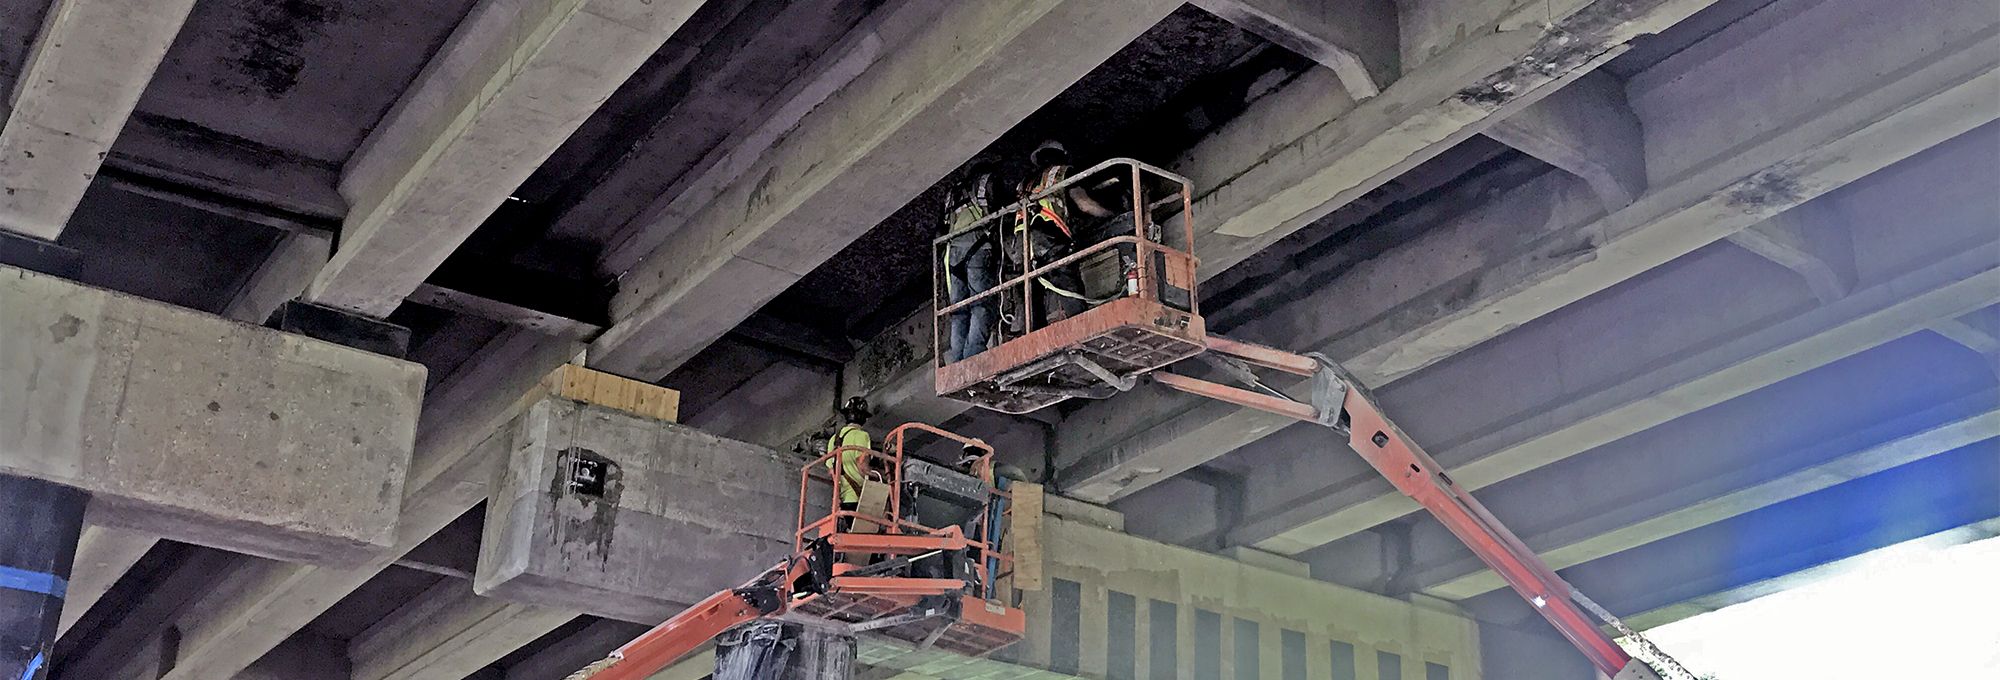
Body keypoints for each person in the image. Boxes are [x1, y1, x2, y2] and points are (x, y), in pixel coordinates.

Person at [1012, 140, 1111, 328]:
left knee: (1030, 294)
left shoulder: (1023, 183)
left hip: (1021, 245)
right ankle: (1080, 332)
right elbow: (1084, 204)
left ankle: (1033, 341)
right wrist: (1109, 214)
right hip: (1048, 234)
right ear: (1062, 155)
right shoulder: (1063, 172)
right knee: (1067, 283)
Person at [941, 159, 1001, 363]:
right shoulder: (987, 182)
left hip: (952, 254)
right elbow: (1000, 209)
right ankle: (973, 355)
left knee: (959, 311)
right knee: (981, 305)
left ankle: (958, 361)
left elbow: (940, 228)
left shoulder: (953, 193)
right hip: (977, 246)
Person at [825, 397, 873, 530]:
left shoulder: (833, 440)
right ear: (863, 417)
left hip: (843, 500)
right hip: (859, 498)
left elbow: (832, 472)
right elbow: (862, 467)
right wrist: (879, 477)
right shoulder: (862, 435)